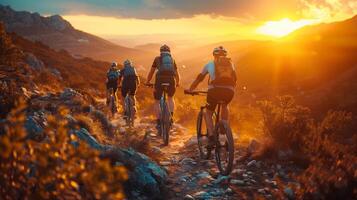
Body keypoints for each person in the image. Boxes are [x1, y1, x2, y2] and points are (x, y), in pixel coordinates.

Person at [186, 46, 237, 145]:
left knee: (208, 112)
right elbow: (235, 79)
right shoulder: (231, 64)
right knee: (225, 105)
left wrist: (190, 89)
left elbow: (199, 79)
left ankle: (212, 135)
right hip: (229, 91)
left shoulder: (209, 64)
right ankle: (223, 130)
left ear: (214, 55)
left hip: (214, 91)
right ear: (225, 55)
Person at [145, 44, 180, 128]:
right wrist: (178, 83)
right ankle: (171, 117)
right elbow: (177, 74)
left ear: (161, 52)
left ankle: (159, 121)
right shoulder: (172, 59)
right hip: (171, 80)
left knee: (157, 101)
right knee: (170, 98)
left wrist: (147, 81)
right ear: (169, 52)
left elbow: (151, 72)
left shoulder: (157, 59)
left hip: (159, 80)